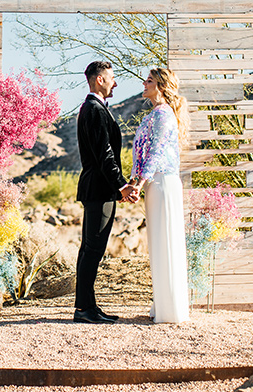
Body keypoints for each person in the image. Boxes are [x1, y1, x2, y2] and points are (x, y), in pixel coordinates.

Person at [74, 60, 139, 324]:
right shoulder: (94, 109)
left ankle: (87, 306)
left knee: (89, 249)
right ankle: (84, 310)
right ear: (99, 80)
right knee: (93, 249)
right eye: (112, 77)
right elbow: (105, 154)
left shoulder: (94, 108)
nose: (115, 82)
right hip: (99, 190)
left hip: (97, 189)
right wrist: (121, 186)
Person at [127, 68, 190, 323]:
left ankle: (171, 310)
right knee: (158, 244)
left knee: (166, 242)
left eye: (150, 80)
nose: (144, 83)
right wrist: (134, 179)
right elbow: (140, 153)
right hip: (154, 183)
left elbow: (155, 153)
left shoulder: (163, 115)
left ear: (162, 86)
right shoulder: (154, 114)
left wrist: (139, 183)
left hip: (162, 182)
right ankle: (162, 304)